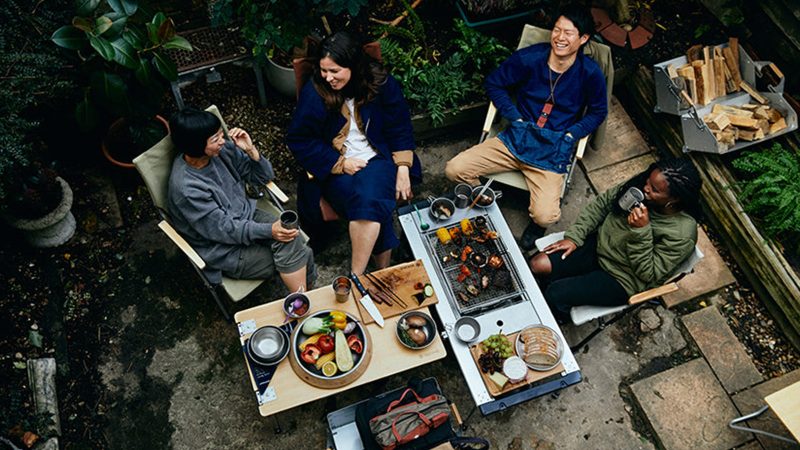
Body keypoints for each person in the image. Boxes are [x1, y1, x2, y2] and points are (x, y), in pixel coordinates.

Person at [444, 4, 608, 251]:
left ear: (583, 38)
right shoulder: (530, 58)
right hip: (516, 138)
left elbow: (598, 111)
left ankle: (536, 225)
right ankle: (484, 199)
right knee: (454, 169)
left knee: (545, 216)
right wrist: (515, 118)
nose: (560, 38)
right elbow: (494, 83)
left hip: (552, 148)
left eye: (569, 33)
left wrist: (571, 134)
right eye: (556, 30)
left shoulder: (590, 73)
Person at [287, 31, 422, 275]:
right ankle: (378, 273)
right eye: (324, 70)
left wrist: (403, 167)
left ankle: (356, 275)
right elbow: (299, 139)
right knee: (372, 207)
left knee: (369, 201)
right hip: (336, 166)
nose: (328, 77)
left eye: (335, 71)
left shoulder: (380, 82)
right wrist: (340, 163)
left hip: (378, 156)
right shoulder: (315, 91)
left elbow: (399, 124)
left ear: (353, 66)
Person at [529, 158, 702, 320]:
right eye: (648, 182)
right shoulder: (640, 186)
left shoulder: (682, 233)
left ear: (675, 199)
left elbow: (648, 273)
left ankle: (559, 314)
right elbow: (602, 205)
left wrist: (641, 232)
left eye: (655, 190)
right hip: (599, 246)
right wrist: (574, 237)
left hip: (622, 277)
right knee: (538, 264)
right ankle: (558, 283)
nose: (646, 188)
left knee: (554, 294)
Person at [167, 108, 315, 292]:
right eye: (215, 139)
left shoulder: (222, 151)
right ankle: (305, 304)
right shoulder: (187, 189)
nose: (223, 141)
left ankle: (304, 301)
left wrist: (251, 151)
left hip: (247, 216)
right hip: (224, 248)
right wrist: (269, 231)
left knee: (291, 238)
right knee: (300, 251)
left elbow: (263, 177)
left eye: (221, 134)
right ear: (195, 145)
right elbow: (224, 229)